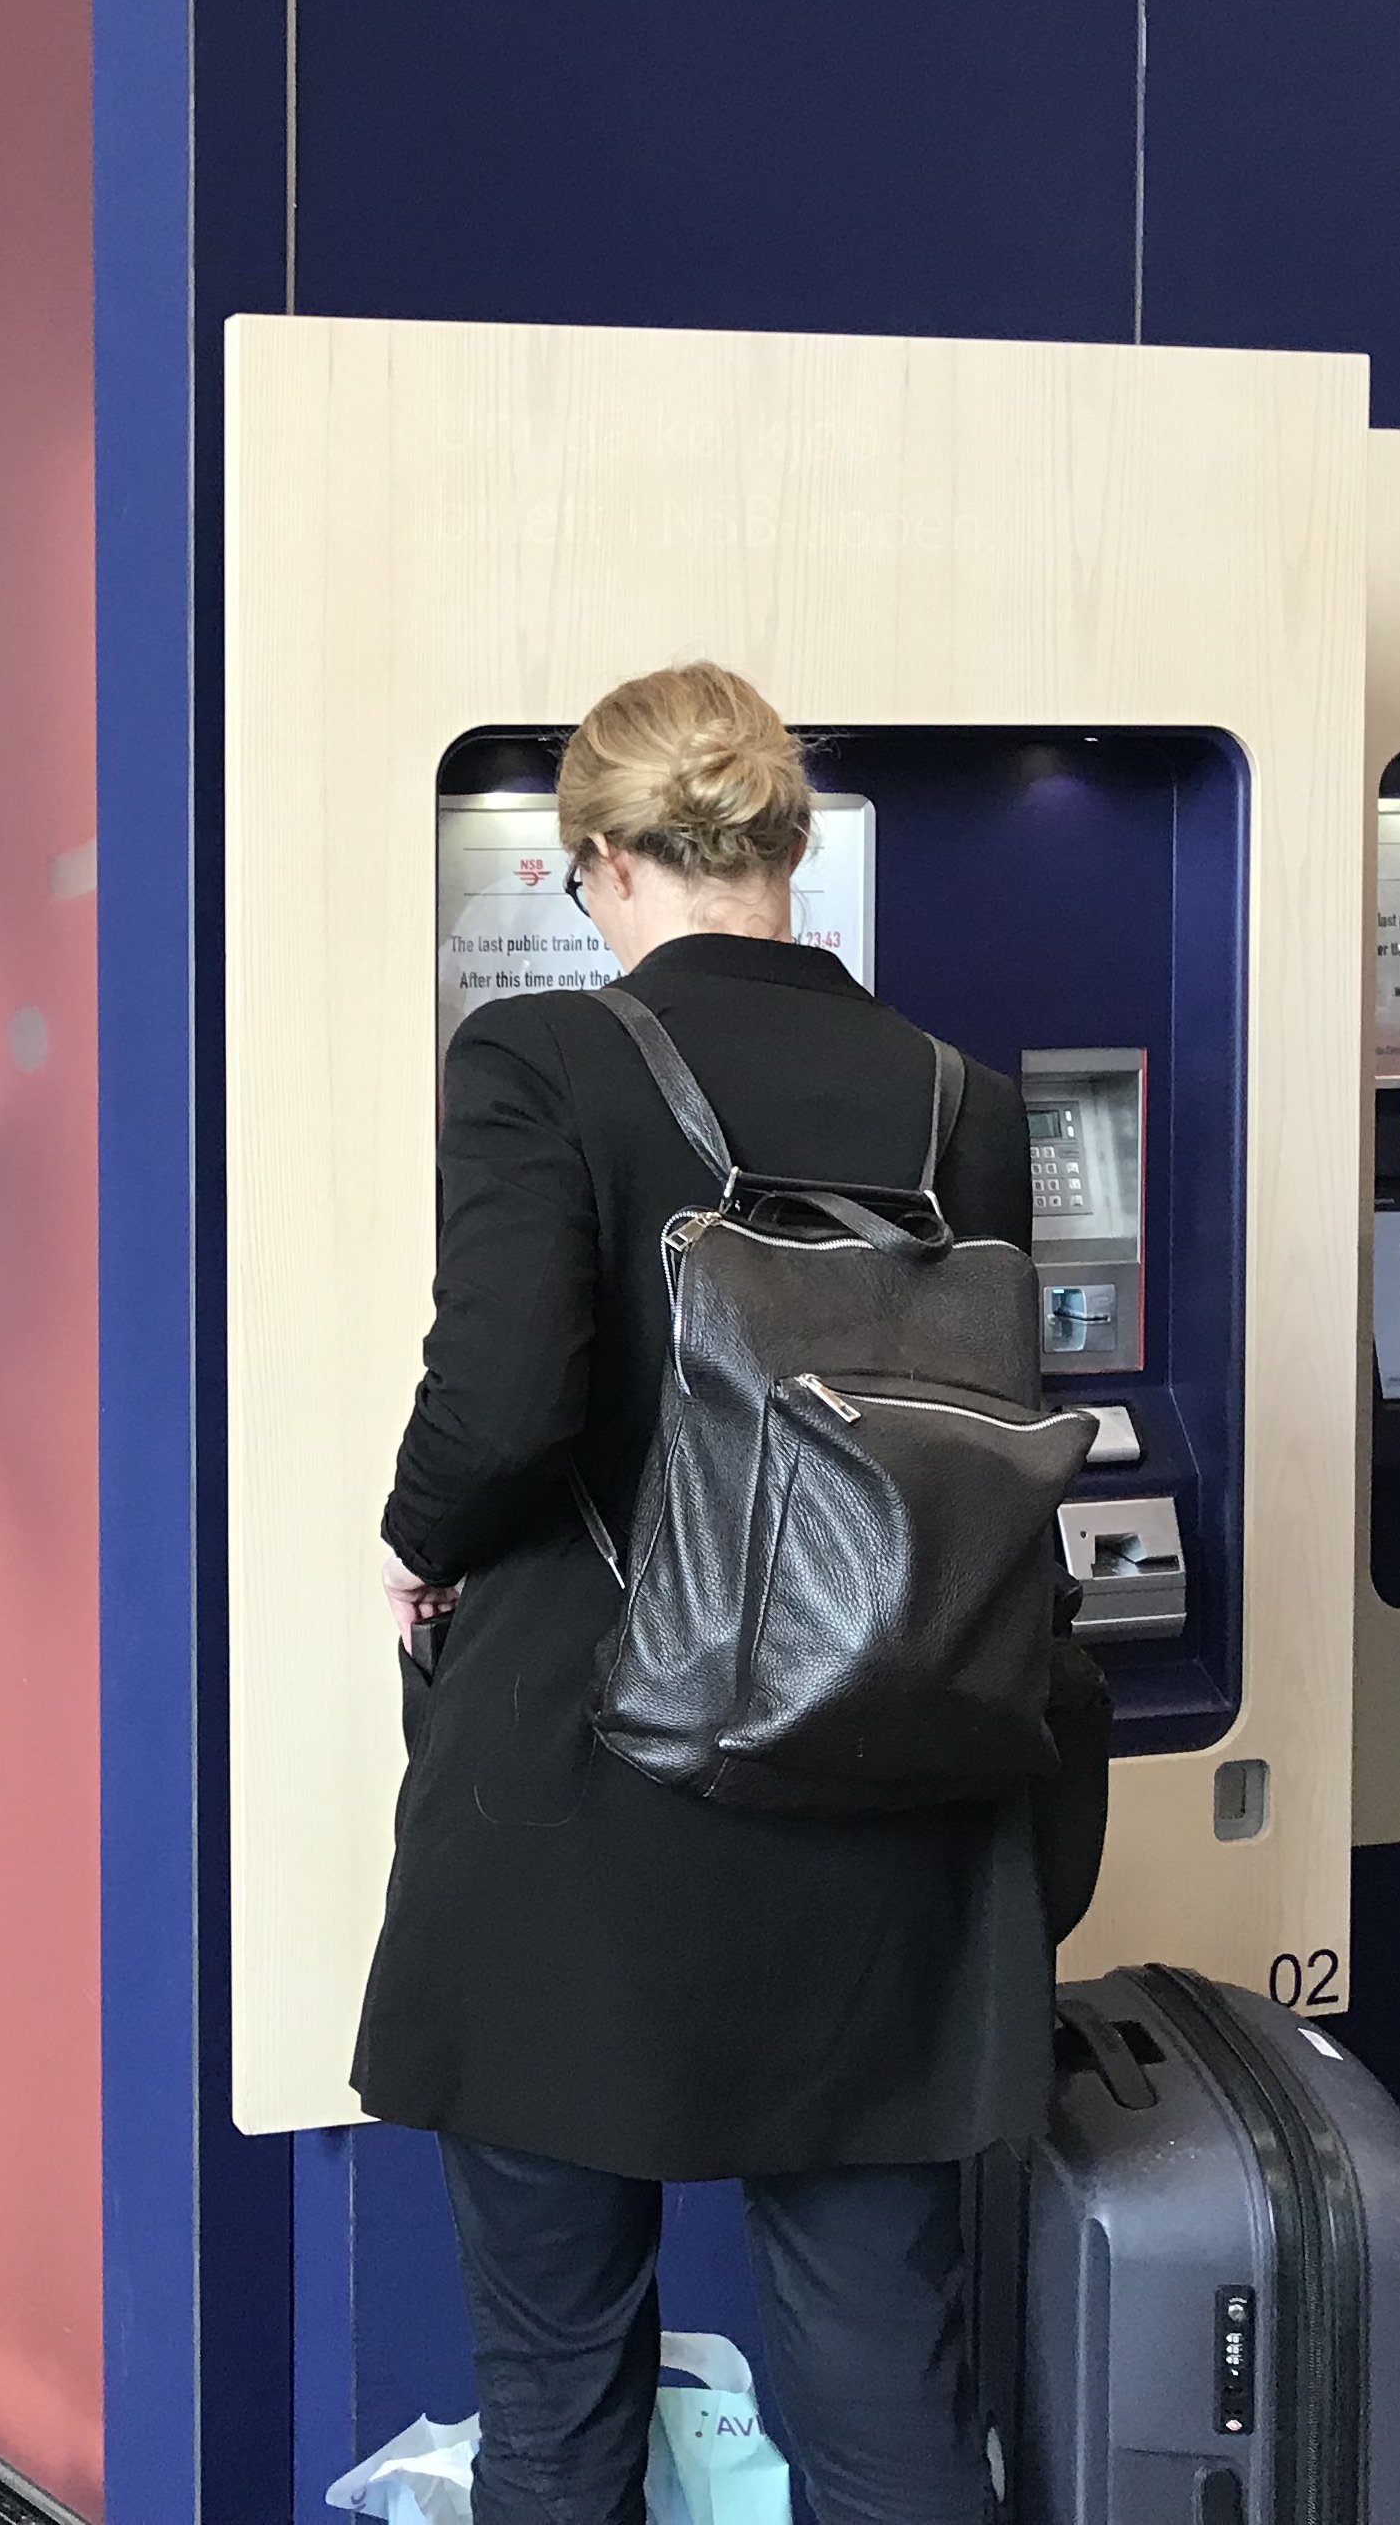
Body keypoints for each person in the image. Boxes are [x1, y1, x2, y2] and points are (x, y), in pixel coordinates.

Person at [352, 664, 1098, 2525]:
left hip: (585, 1793)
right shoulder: (965, 1105)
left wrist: (414, 1533)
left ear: (602, 864)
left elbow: (507, 1399)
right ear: (785, 852)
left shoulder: (539, 1059)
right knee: (884, 2396)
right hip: (890, 1789)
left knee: (558, 2398)